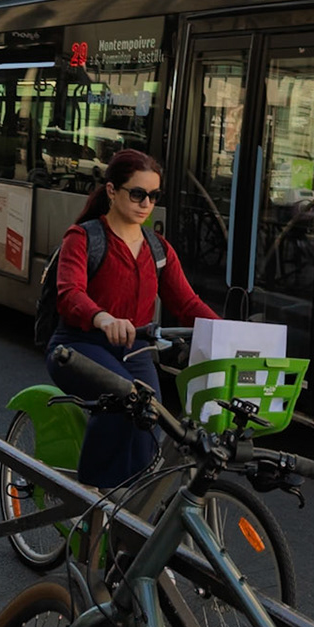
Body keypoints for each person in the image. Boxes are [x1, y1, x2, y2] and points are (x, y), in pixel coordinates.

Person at [46, 150, 220, 488]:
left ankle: (133, 501)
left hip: (135, 351)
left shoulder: (158, 249)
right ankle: (90, 496)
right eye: (138, 193)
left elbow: (187, 303)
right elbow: (69, 294)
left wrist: (232, 332)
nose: (146, 204)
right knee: (124, 400)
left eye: (154, 196)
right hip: (78, 346)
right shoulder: (83, 238)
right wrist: (103, 318)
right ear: (112, 191)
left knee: (151, 417)